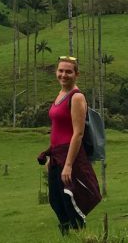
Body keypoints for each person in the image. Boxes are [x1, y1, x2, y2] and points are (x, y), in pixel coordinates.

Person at [37, 56, 101, 235]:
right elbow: (57, 128)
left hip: (69, 155)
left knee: (71, 199)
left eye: (68, 71)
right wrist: (51, 156)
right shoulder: (60, 94)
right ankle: (66, 236)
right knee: (56, 200)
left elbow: (78, 133)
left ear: (76, 74)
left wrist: (69, 165)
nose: (63, 75)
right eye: (60, 71)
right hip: (57, 155)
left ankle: (80, 236)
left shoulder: (76, 97)